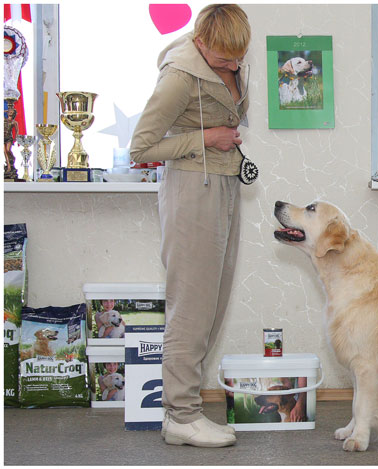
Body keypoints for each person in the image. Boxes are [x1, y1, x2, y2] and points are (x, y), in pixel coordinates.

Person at [130, 4, 251, 447]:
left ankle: (187, 410)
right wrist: (206, 138)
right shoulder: (179, 77)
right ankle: (181, 415)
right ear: (200, 42)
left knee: (212, 305)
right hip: (191, 188)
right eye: (223, 59)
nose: (234, 66)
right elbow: (140, 148)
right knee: (191, 309)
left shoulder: (228, 56)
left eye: (239, 58)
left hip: (222, 183)